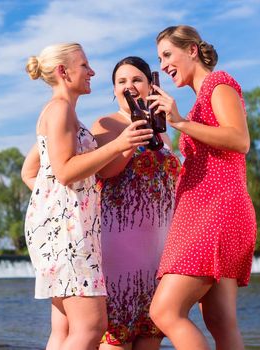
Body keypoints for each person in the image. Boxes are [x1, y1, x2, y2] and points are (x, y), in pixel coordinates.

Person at [22, 43, 153, 350]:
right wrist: (118, 143)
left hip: (64, 227)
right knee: (92, 325)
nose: (92, 71)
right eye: (85, 66)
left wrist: (127, 144)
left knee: (67, 328)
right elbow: (66, 171)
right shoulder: (60, 110)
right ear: (63, 71)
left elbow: (40, 173)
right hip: (68, 232)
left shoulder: (63, 112)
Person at [146, 25, 257, 350]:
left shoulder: (218, 84)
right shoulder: (199, 102)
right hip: (211, 212)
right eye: (160, 58)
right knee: (221, 322)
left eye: (168, 55)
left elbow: (239, 139)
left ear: (192, 50)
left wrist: (179, 122)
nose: (164, 65)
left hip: (218, 212)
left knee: (164, 311)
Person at [91, 56, 181, 350]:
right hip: (119, 244)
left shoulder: (163, 128)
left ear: (150, 85)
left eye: (136, 80)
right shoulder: (107, 123)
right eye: (121, 82)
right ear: (114, 90)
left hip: (159, 247)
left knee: (151, 334)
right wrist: (130, 142)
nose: (129, 86)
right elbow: (104, 172)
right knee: (117, 336)